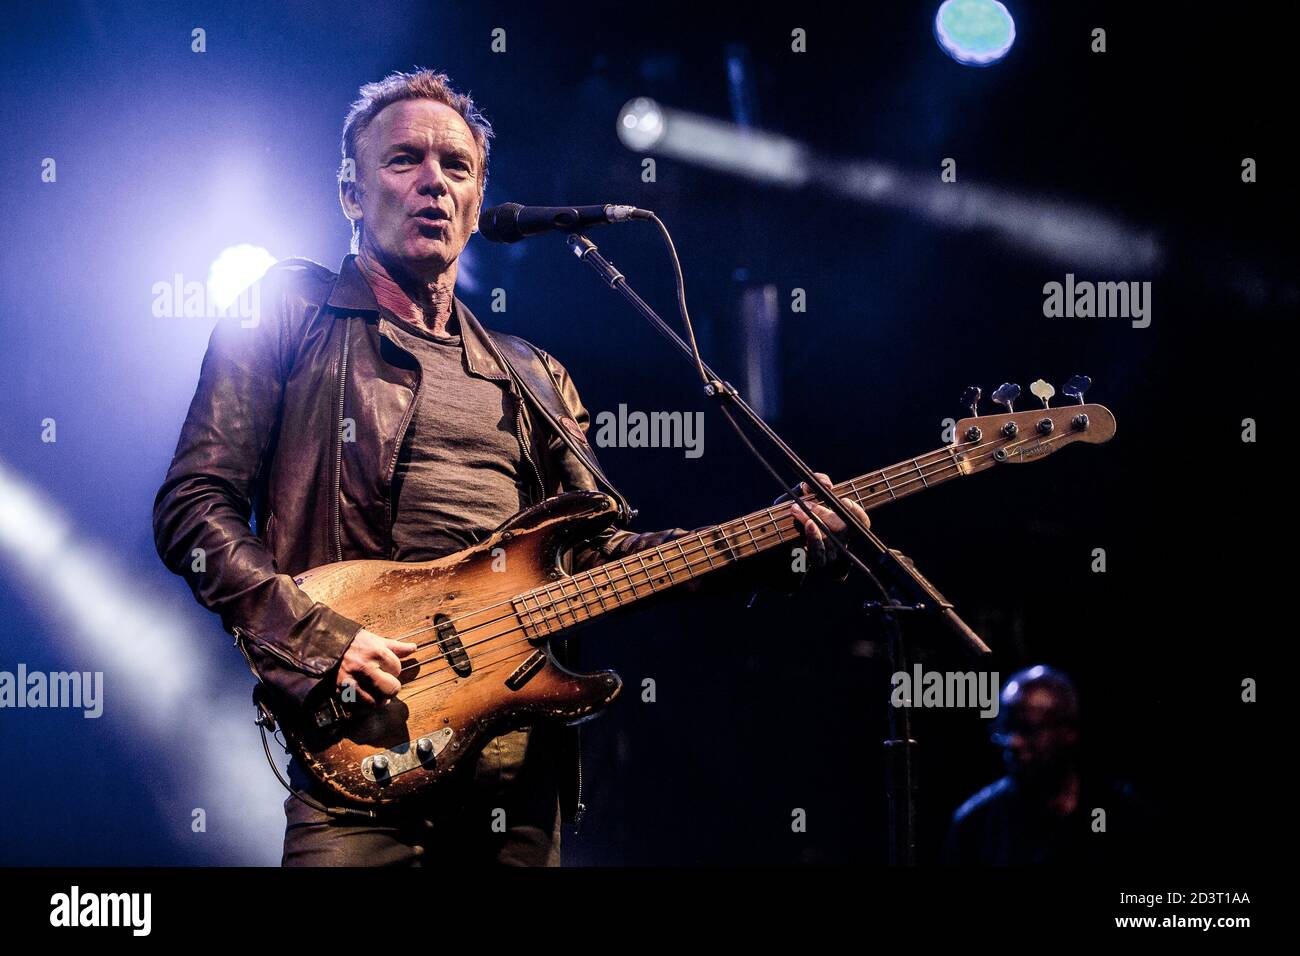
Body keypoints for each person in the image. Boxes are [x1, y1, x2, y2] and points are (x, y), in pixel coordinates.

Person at [153, 69, 868, 866]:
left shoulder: (534, 375)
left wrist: (776, 547)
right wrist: (314, 635)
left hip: (516, 763)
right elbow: (195, 507)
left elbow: (595, 558)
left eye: (456, 168)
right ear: (351, 193)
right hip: (363, 742)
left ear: (479, 194)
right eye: (404, 161)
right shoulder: (289, 311)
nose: (434, 182)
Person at [945, 665, 1147, 865]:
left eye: (1028, 729)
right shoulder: (975, 824)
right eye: (1006, 729)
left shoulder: (1118, 810)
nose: (1013, 742)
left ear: (1069, 731)